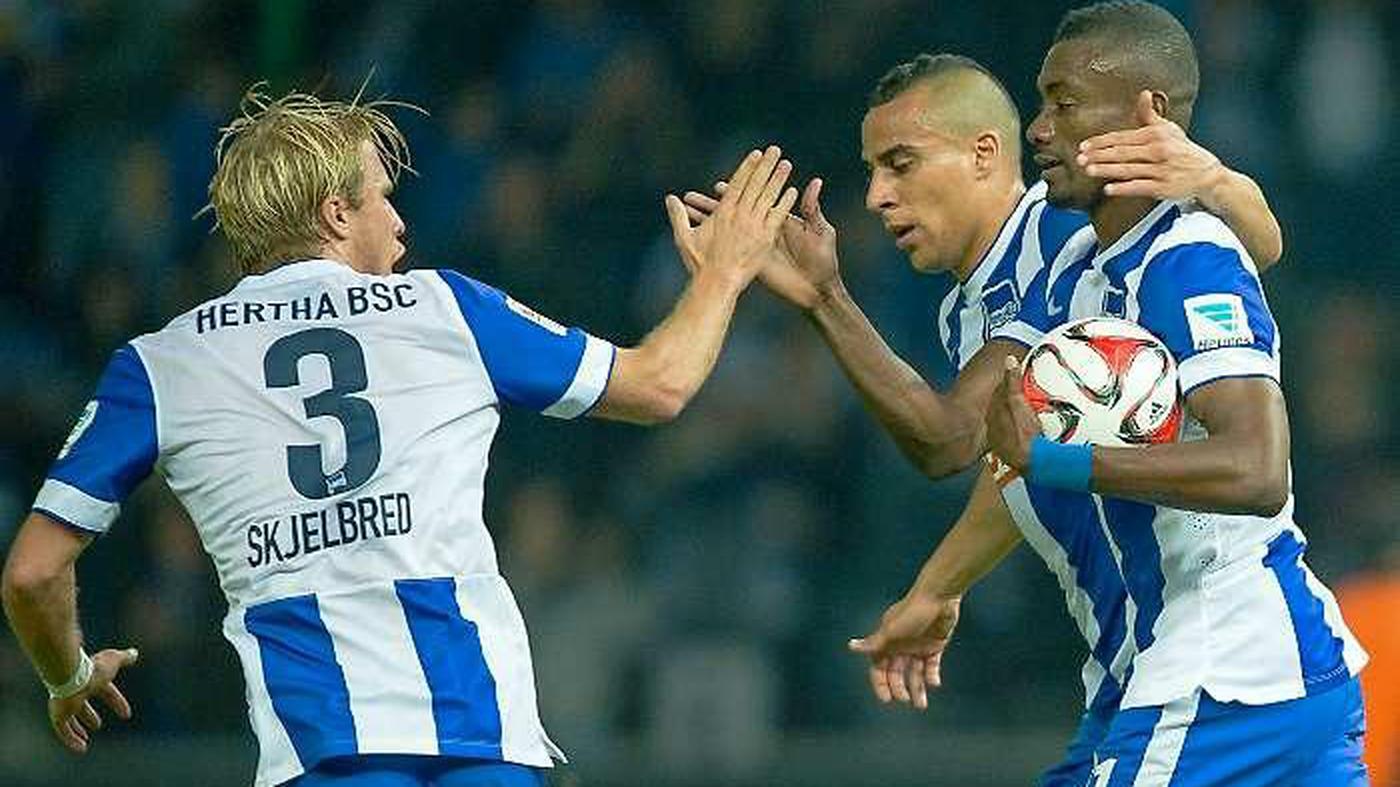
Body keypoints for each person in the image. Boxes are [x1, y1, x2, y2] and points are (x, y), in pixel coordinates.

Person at [0, 86, 798, 787]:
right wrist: (724, 270)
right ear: (335, 213)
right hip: (484, 737)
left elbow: (32, 573)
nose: (400, 220)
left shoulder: (162, 363)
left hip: (322, 752)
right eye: (382, 196)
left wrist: (67, 675)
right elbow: (660, 384)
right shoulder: (445, 309)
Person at [685, 51, 1284, 786]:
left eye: (901, 164)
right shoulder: (972, 305)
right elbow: (1018, 456)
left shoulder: (1060, 234)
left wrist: (824, 297)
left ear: (983, 154)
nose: (876, 196)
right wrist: (939, 584)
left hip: (1210, 656)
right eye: (872, 170)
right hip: (1140, 663)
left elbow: (950, 439)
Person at [983, 3, 1369, 784]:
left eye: (1064, 104)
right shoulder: (1083, 266)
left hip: (1222, 674)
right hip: (1221, 671)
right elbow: (1266, 241)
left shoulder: (1187, 258)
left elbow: (1257, 470)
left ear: (1148, 115)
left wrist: (1056, 461)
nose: (1038, 128)